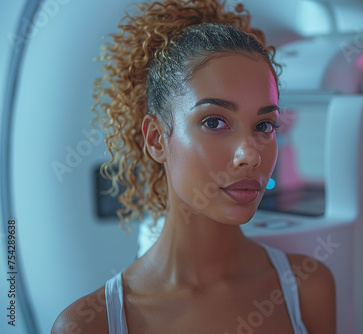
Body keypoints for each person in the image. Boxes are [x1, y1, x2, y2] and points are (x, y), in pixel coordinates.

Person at [51, 0, 336, 333]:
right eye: (214, 122)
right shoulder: (90, 324)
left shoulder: (308, 288)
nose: (250, 155)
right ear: (156, 139)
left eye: (263, 126)